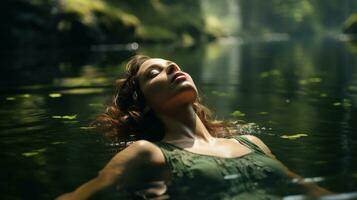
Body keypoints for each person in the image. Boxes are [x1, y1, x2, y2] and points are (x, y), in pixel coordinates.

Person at [56, 55, 332, 200]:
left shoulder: (250, 142)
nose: (172, 66)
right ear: (145, 105)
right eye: (154, 73)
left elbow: (310, 192)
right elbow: (82, 196)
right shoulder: (148, 153)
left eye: (170, 64)